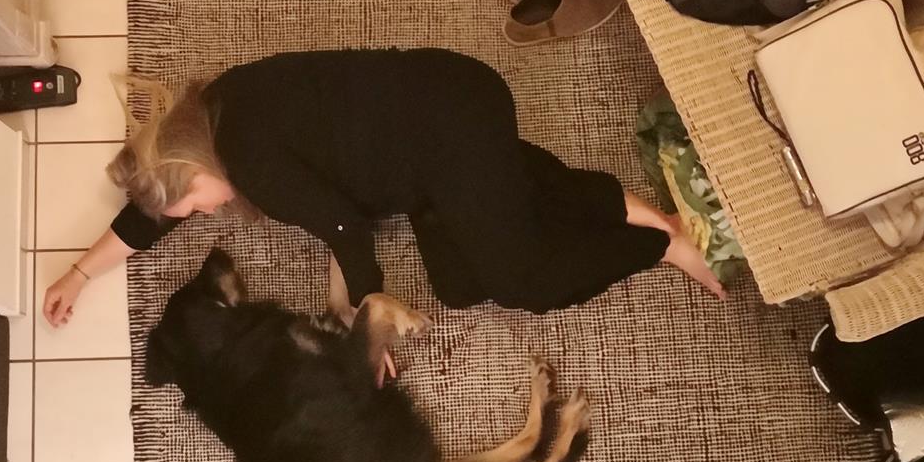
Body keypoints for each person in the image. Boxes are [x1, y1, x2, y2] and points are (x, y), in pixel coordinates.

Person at [42, 48, 724, 333]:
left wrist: (366, 311)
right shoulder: (211, 110)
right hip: (428, 142)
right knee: (458, 285)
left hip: (455, 122)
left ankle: (659, 245)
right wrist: (80, 272)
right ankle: (620, 204)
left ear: (192, 168)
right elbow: (154, 209)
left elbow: (343, 226)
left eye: (193, 205)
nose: (203, 214)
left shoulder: (253, 165)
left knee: (522, 281)